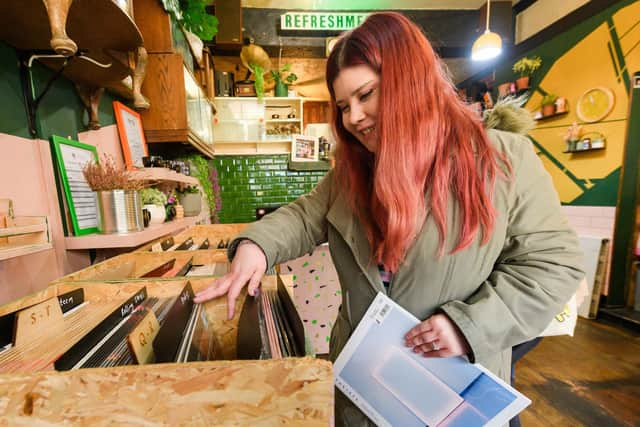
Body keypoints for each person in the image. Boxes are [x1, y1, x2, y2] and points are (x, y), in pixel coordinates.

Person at [194, 12, 584, 426]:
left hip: (451, 396)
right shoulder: (354, 173)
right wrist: (255, 247)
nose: (353, 118)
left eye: (367, 95)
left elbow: (553, 266)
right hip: (364, 392)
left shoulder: (502, 160)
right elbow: (304, 216)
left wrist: (467, 327)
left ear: (410, 82)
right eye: (343, 106)